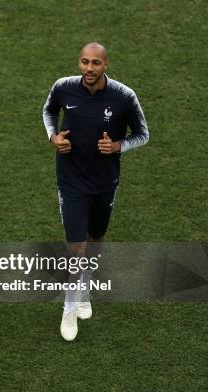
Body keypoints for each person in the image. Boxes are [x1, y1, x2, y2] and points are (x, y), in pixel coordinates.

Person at [42, 43, 149, 341]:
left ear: (106, 65)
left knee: (95, 238)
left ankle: (85, 287)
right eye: (85, 62)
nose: (90, 69)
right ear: (79, 62)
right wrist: (54, 137)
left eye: (96, 63)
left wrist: (118, 146)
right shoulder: (63, 87)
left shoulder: (124, 96)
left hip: (105, 182)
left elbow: (143, 134)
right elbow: (49, 110)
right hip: (71, 180)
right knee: (75, 246)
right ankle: (69, 308)